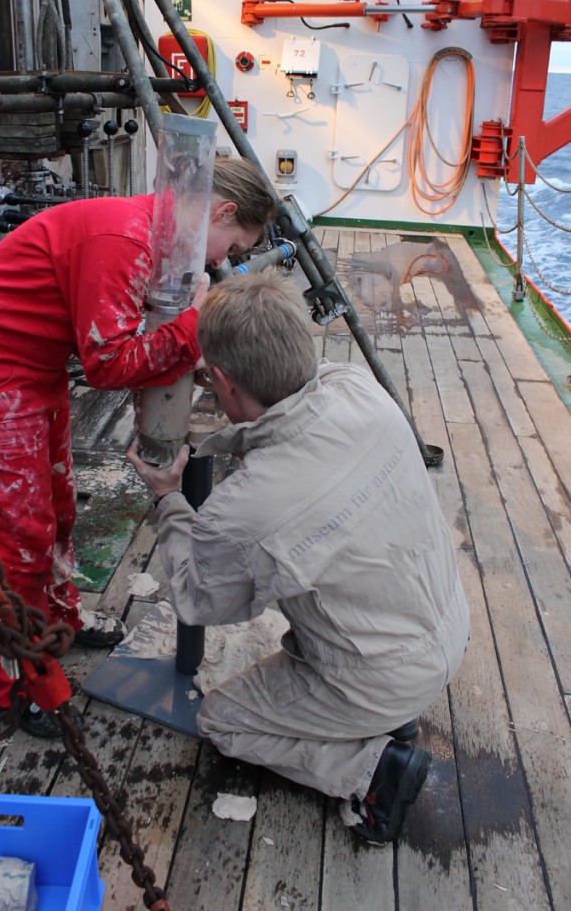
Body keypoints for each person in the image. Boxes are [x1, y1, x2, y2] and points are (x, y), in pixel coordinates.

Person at [0, 157, 276, 737]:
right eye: (229, 245)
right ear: (222, 211)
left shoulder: (151, 235)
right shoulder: (126, 239)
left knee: (57, 508)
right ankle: (11, 685)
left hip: (30, 367)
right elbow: (107, 364)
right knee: (16, 536)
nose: (220, 260)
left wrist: (185, 327)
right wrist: (191, 326)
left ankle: (56, 623)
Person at [127, 269, 470, 845]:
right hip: (446, 627)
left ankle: (372, 770)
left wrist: (168, 497)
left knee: (223, 720)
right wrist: (223, 438)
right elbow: (283, 429)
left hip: (379, 677)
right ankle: (380, 715)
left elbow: (195, 598)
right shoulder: (355, 386)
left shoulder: (248, 512)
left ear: (222, 382)